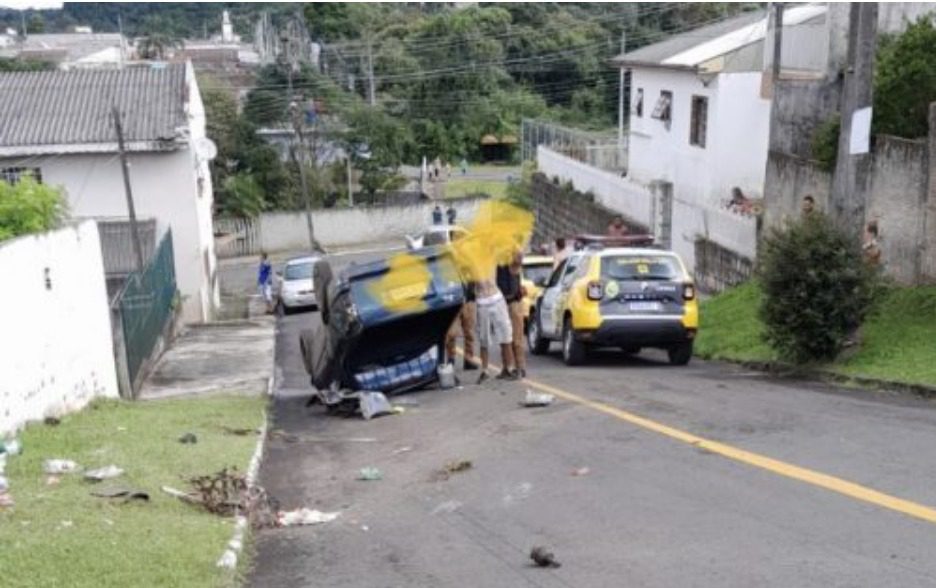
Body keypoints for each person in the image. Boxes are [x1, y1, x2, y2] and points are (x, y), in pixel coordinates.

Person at [475, 276, 517, 384]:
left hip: (496, 298)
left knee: (505, 334)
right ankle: (485, 371)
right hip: (482, 300)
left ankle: (510, 368)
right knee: (484, 338)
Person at [497, 250, 527, 378]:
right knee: (504, 338)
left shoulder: (513, 257)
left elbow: (519, 258)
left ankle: (520, 368)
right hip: (501, 302)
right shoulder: (497, 260)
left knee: (516, 338)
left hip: (513, 303)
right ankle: (507, 367)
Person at [445, 274, 478, 370]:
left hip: (469, 300)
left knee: (470, 333)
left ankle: (468, 360)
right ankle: (451, 359)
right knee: (451, 333)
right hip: (455, 302)